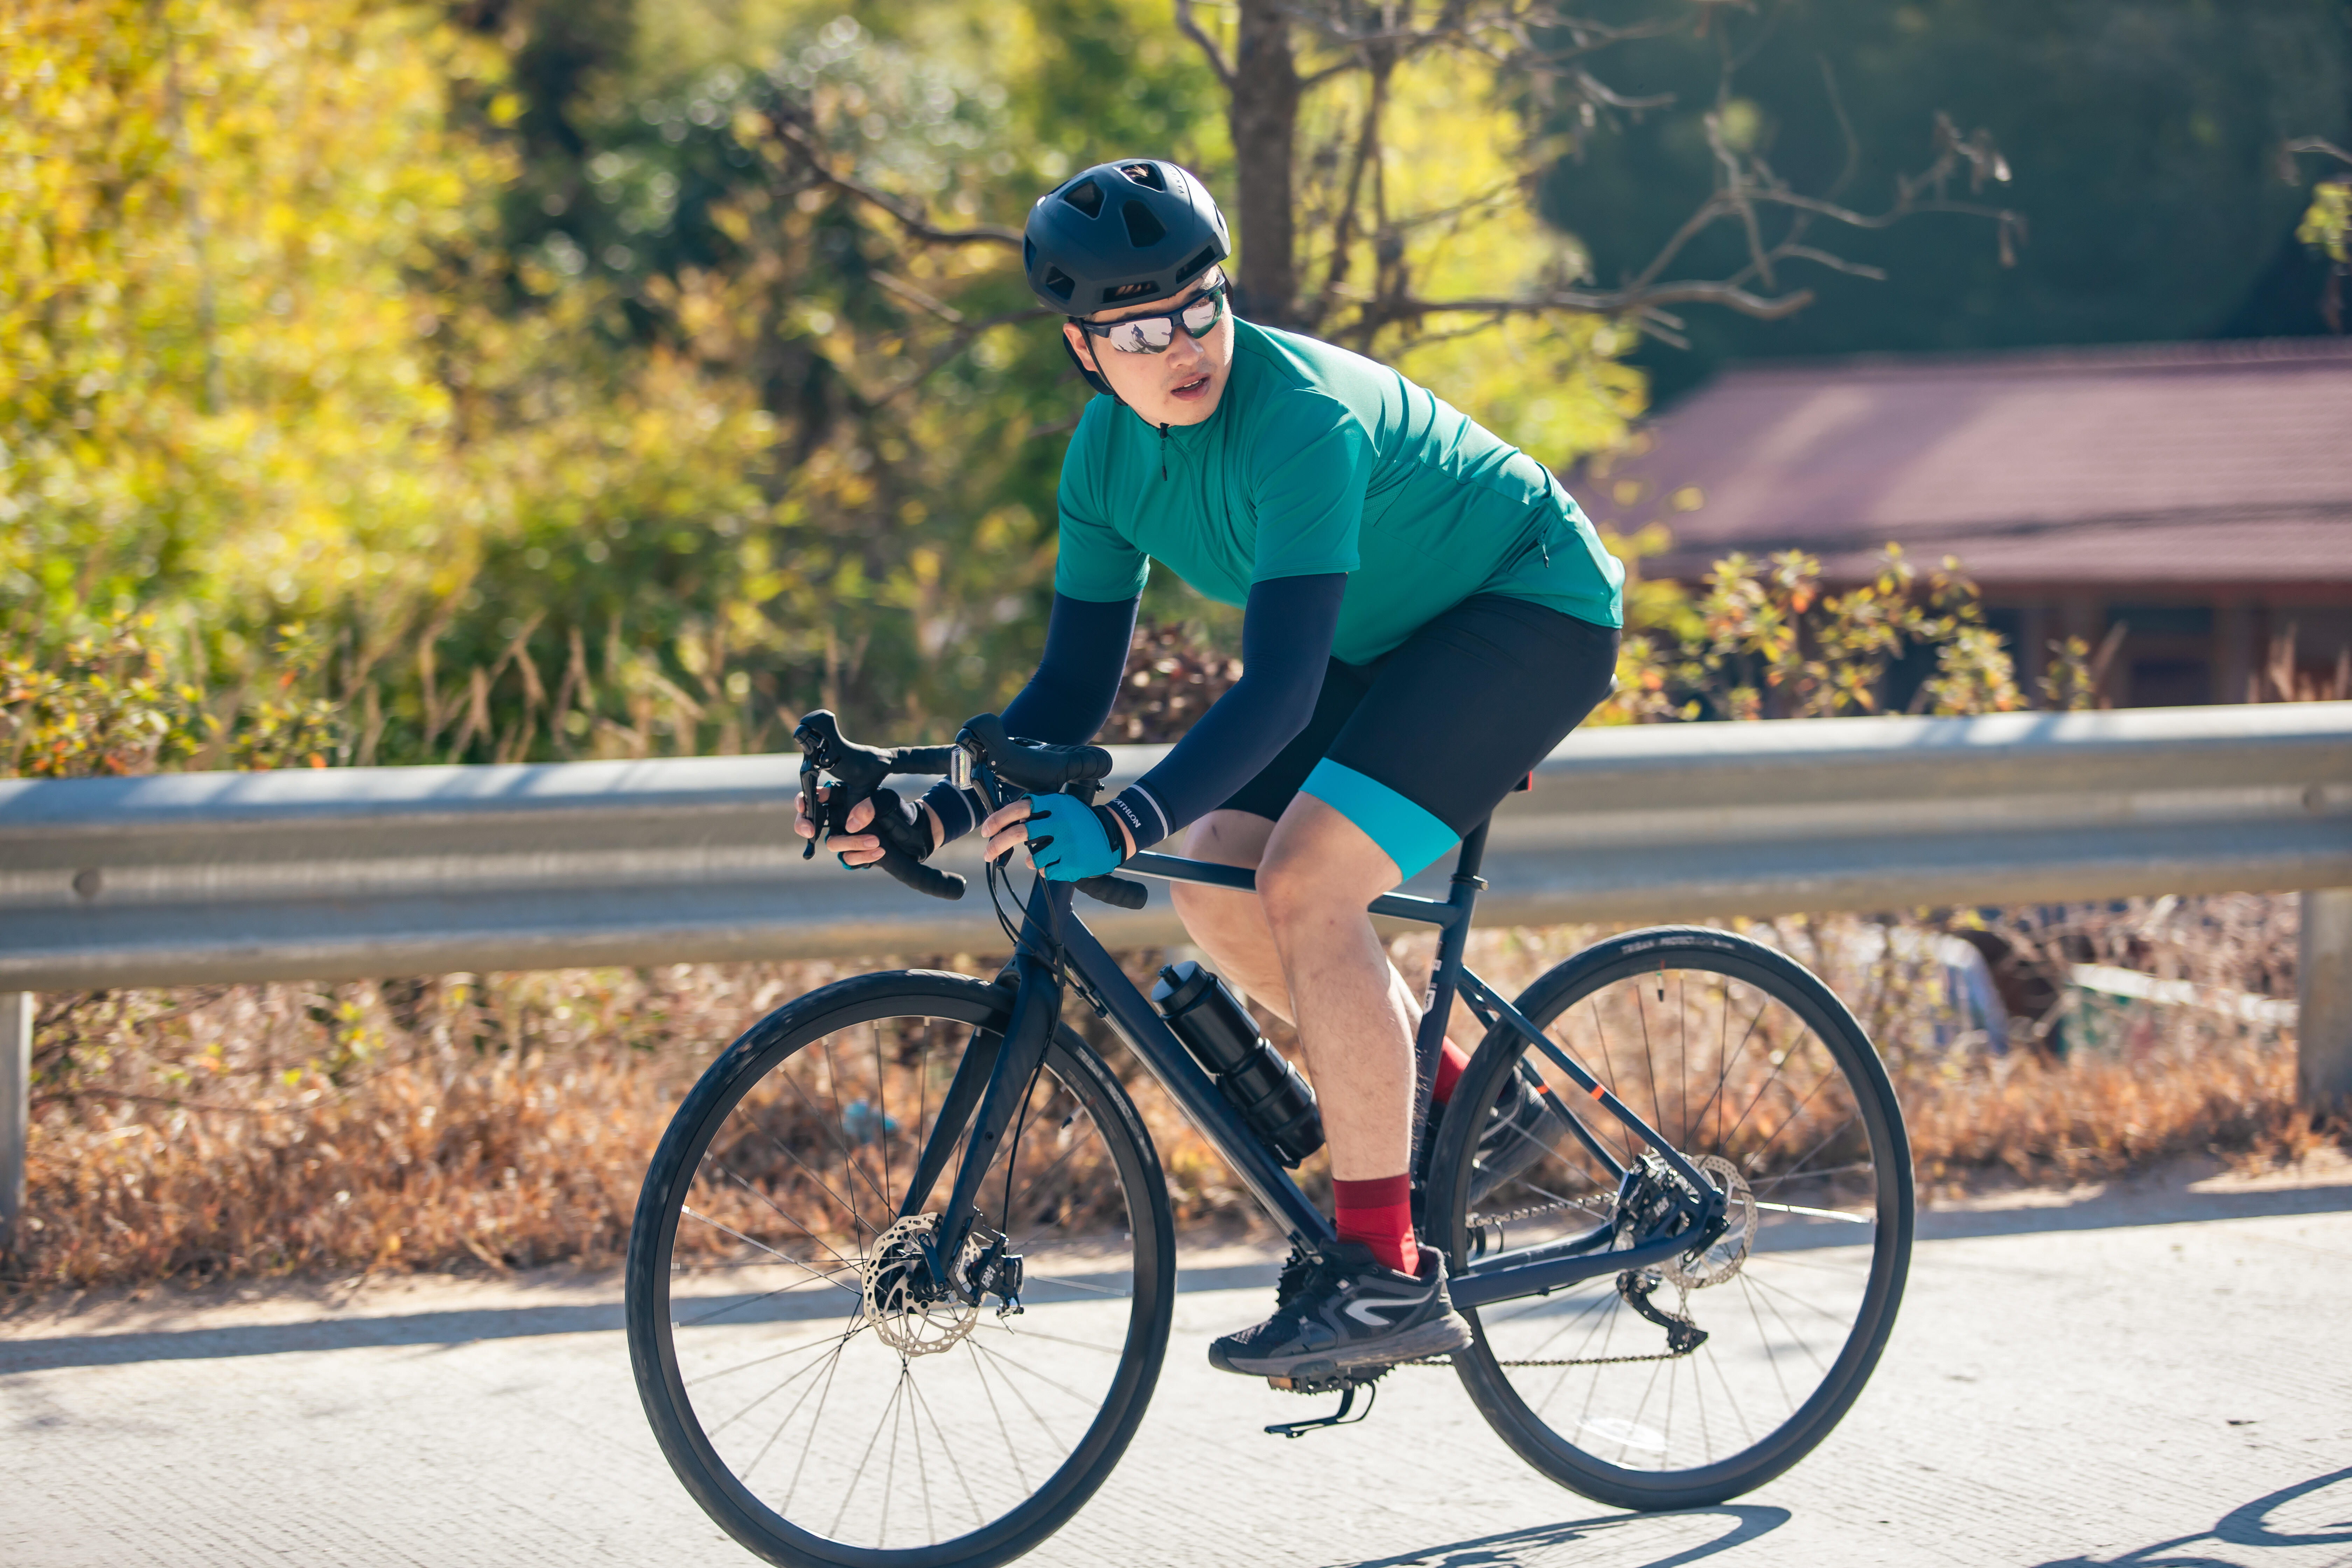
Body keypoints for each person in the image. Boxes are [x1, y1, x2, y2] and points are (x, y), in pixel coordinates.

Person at [796, 158, 1622, 1382]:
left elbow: (1278, 689)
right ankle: (1467, 1102)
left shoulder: (1297, 418)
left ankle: (1385, 1276)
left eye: (1197, 304)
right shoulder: (1105, 464)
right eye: (1136, 326)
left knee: (1307, 885)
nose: (1178, 344)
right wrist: (942, 809)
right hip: (1381, 639)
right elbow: (1073, 691)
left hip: (1526, 608)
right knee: (1220, 881)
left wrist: (1123, 822)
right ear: (1085, 349)